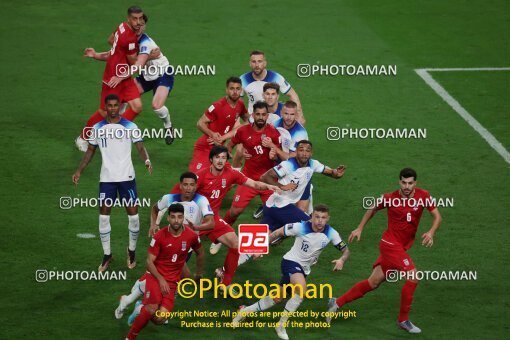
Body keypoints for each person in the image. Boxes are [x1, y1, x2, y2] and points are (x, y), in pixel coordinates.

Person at [326, 168, 442, 334]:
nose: (407, 186)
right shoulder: (390, 198)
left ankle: (336, 302)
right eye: (403, 182)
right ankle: (403, 320)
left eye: (410, 183)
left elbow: (437, 216)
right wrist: (359, 228)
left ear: (415, 183)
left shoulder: (423, 195)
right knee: (413, 277)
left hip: (401, 246)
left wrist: (431, 232)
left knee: (373, 282)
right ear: (399, 182)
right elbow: (372, 208)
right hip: (390, 244)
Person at [232, 204, 350, 340]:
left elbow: (346, 251)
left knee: (277, 298)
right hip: (290, 262)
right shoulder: (300, 227)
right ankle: (281, 326)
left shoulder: (331, 233)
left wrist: (342, 260)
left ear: (328, 218)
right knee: (301, 290)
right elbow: (277, 233)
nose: (319, 221)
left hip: (304, 269)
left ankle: (244, 311)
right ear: (312, 217)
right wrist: (261, 247)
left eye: (323, 218)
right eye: (317, 217)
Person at [114, 171, 213, 322]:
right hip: (167, 246)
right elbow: (155, 208)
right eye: (185, 185)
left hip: (186, 249)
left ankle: (132, 302)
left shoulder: (201, 200)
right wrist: (154, 224)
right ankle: (138, 305)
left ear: (195, 186)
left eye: (192, 185)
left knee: (178, 280)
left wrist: (196, 228)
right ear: (180, 186)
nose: (188, 188)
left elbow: (211, 222)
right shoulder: (169, 198)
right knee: (159, 276)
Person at [72, 94, 152, 271]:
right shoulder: (97, 128)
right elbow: (90, 151)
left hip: (127, 179)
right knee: (103, 217)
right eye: (110, 105)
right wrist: (79, 170)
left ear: (119, 107)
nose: (114, 108)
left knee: (134, 217)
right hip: (107, 180)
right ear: (106, 107)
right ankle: (107, 254)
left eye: (116, 105)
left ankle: (131, 251)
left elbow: (139, 146)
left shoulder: (130, 126)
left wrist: (146, 160)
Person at [237, 140, 345, 265]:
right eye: (301, 150)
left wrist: (337, 173)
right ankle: (310, 256)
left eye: (307, 150)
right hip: (280, 206)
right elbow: (265, 177)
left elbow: (330, 172)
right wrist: (281, 186)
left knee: (257, 242)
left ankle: (226, 271)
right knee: (312, 224)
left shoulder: (313, 164)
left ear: (311, 153)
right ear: (296, 152)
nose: (304, 153)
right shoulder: (288, 165)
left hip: (273, 206)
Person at [126, 204, 204, 339]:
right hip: (155, 276)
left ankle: (140, 309)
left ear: (183, 218)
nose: (176, 220)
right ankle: (130, 337)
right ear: (168, 218)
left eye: (179, 217)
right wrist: (161, 279)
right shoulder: (159, 236)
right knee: (151, 308)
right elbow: (149, 262)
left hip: (173, 281)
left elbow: (200, 252)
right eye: (173, 217)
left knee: (159, 319)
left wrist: (199, 274)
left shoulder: (191, 236)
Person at [75, 6, 146, 151]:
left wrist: (96, 55)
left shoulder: (121, 26)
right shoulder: (131, 39)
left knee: (137, 106)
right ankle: (82, 138)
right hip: (113, 79)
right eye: (135, 19)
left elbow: (111, 41)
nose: (138, 22)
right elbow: (134, 63)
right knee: (104, 112)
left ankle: (115, 133)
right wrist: (147, 56)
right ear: (129, 19)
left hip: (124, 78)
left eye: (140, 18)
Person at [223, 101, 288, 227]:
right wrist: (231, 158)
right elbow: (229, 146)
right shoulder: (243, 131)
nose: (261, 117)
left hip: (269, 180)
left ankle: (273, 237)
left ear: (267, 116)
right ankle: (222, 232)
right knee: (235, 211)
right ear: (253, 115)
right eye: (258, 114)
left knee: (275, 214)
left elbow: (281, 158)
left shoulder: (274, 133)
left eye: (264, 114)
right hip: (248, 178)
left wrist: (273, 152)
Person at [189, 77, 249, 172]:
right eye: (232, 88)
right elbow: (200, 123)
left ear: (241, 90)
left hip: (219, 149)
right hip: (205, 147)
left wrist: (228, 138)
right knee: (196, 177)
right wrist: (212, 134)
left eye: (238, 89)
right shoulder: (218, 106)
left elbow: (248, 121)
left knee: (225, 179)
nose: (235, 92)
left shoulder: (240, 105)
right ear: (226, 90)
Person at [240, 50, 304, 124]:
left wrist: (300, 115)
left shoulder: (276, 77)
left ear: (265, 63)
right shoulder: (242, 79)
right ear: (250, 64)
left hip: (274, 119)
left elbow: (292, 94)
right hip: (254, 119)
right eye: (254, 62)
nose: (257, 65)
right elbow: (239, 102)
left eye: (260, 61)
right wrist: (246, 118)